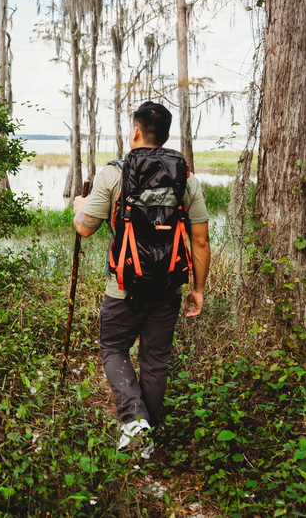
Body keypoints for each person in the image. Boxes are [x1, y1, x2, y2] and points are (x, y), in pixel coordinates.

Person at [72, 101, 211, 456]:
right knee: (155, 361)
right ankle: (147, 435)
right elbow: (200, 241)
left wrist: (78, 208)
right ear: (165, 137)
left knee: (114, 348)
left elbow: (86, 229)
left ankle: (135, 423)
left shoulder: (111, 175)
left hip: (122, 287)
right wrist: (197, 289)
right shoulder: (187, 178)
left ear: (135, 132)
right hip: (168, 288)